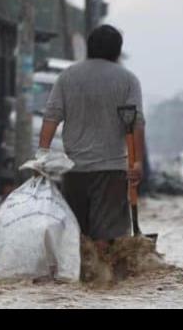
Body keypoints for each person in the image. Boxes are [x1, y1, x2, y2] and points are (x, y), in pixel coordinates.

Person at [38, 25, 146, 253]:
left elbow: (51, 118)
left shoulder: (67, 77)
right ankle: (102, 281)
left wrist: (42, 154)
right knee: (105, 236)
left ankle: (81, 279)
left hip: (74, 169)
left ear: (89, 48)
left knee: (77, 234)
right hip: (112, 169)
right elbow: (135, 123)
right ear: (117, 51)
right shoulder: (128, 80)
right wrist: (137, 162)